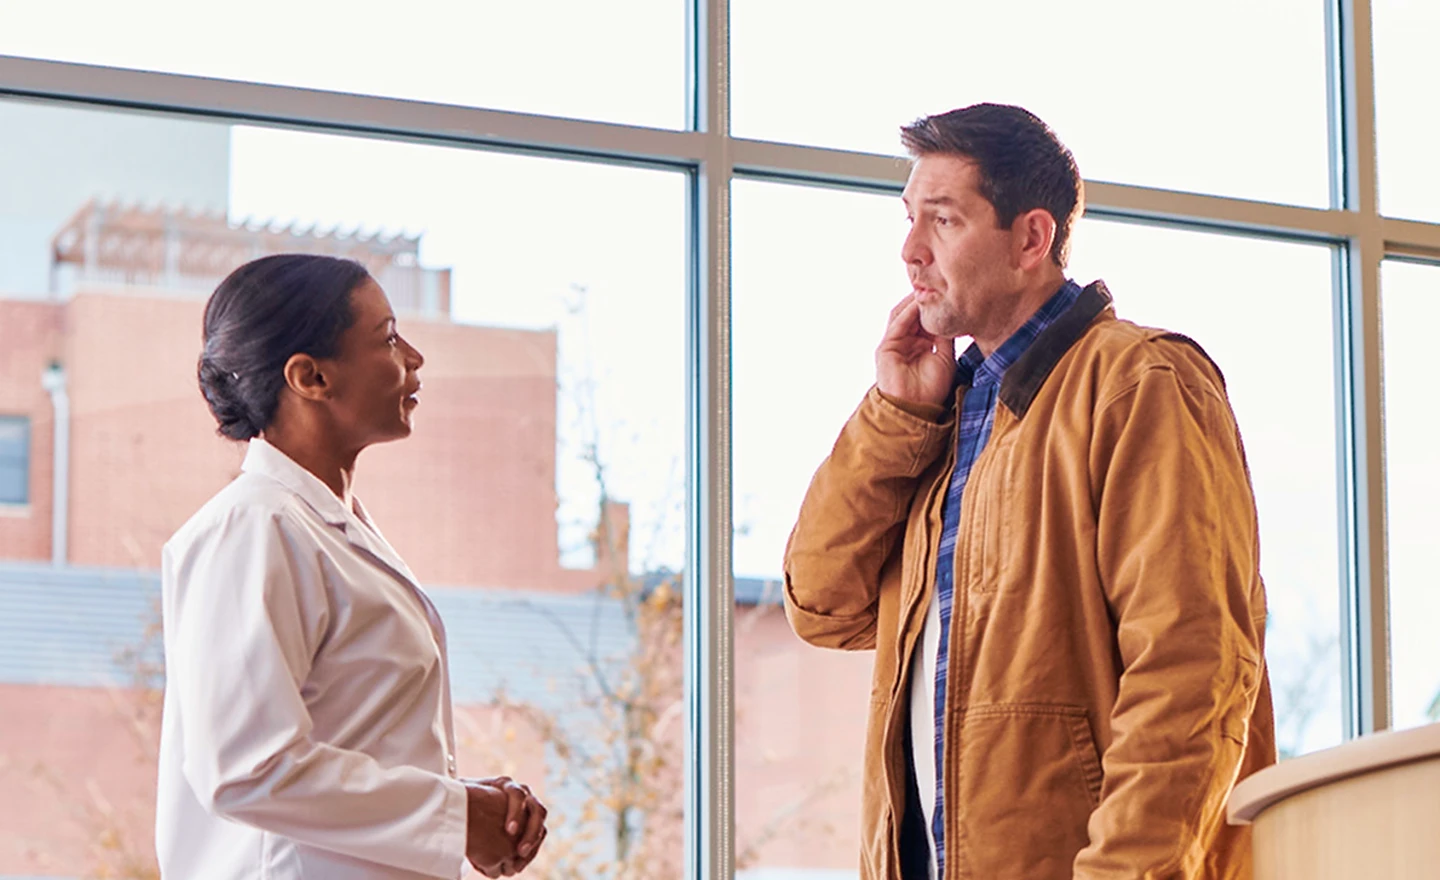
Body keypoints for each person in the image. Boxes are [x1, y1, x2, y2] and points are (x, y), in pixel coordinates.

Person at [783, 104, 1277, 880]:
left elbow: (1193, 672)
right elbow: (820, 604)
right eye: (910, 219)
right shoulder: (937, 417)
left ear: (1031, 238)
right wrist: (895, 412)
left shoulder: (1140, 383)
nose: (911, 252)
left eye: (942, 221)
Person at [156, 254, 548, 879]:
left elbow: (346, 742)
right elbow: (244, 769)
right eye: (388, 338)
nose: (413, 358)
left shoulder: (326, 527)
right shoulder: (256, 527)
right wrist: (456, 813)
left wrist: (466, 808)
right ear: (310, 377)